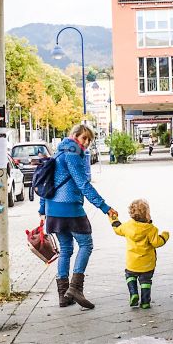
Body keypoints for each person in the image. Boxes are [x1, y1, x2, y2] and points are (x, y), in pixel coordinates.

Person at [38, 122, 118, 309]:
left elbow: (45, 185)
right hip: (70, 208)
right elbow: (83, 184)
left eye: (89, 139)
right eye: (84, 138)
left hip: (52, 209)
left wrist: (43, 211)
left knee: (65, 249)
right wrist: (104, 207)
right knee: (86, 244)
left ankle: (63, 296)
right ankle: (75, 288)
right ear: (74, 135)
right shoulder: (73, 153)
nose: (86, 142)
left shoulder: (57, 152)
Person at [111, 198, 169, 309]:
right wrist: (165, 236)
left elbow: (117, 228)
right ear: (147, 215)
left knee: (130, 276)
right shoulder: (150, 229)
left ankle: (133, 293)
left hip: (132, 263)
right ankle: (145, 302)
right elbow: (157, 242)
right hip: (147, 264)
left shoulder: (128, 226)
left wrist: (113, 217)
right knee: (146, 281)